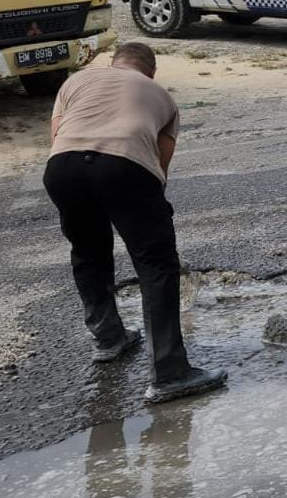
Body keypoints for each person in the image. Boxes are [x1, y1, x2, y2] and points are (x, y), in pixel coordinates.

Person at [43, 42, 227, 405]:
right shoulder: (162, 97)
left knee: (88, 251)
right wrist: (151, 217)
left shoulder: (75, 82)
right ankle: (169, 373)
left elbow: (56, 136)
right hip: (126, 165)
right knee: (156, 263)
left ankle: (109, 338)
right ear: (151, 72)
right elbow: (160, 165)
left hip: (62, 166)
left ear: (113, 64)